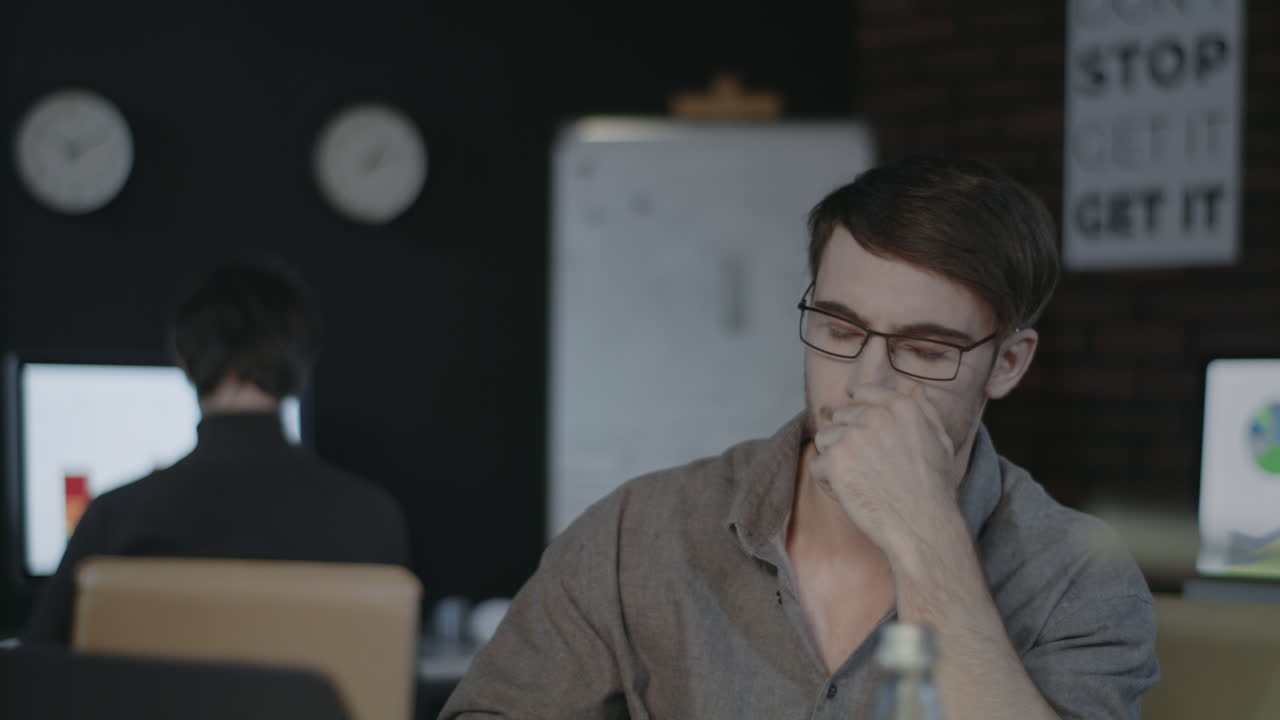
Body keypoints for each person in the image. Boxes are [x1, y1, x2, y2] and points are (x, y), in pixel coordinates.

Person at [441, 155, 1158, 718]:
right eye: (839, 330)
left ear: (1007, 364)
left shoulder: (1078, 580)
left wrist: (929, 542)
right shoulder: (639, 531)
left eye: (926, 351)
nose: (866, 384)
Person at [20, 260, 411, 647]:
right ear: (303, 364)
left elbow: (36, 681)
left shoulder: (114, 520)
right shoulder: (374, 521)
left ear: (185, 360)